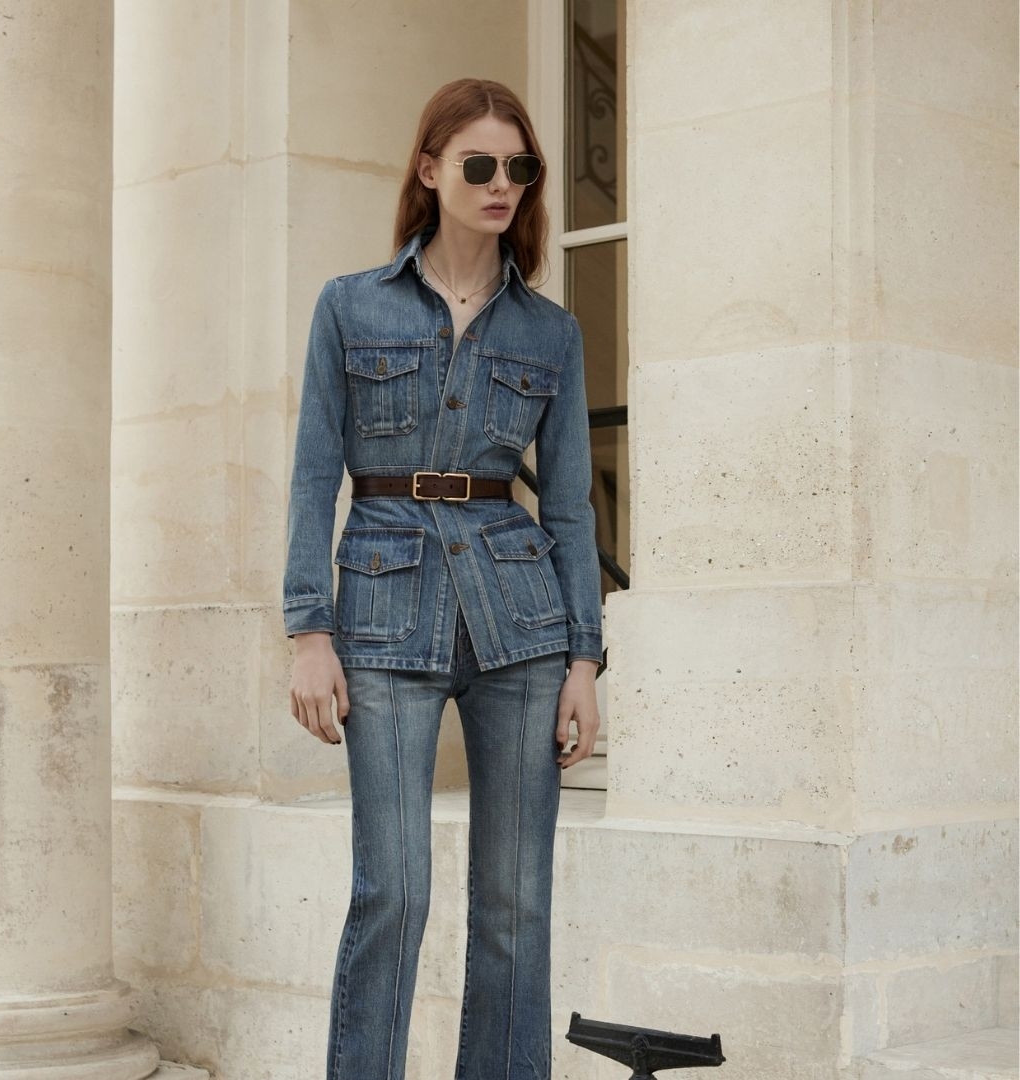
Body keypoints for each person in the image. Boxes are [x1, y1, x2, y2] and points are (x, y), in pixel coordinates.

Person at [283, 77, 603, 1080]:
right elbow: (313, 476)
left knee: (516, 903)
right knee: (395, 892)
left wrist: (585, 660)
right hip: (383, 613)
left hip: (523, 624)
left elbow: (568, 508)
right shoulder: (350, 306)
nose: (502, 183)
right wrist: (308, 631)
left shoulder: (550, 333)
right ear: (430, 170)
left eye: (521, 167)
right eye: (480, 164)